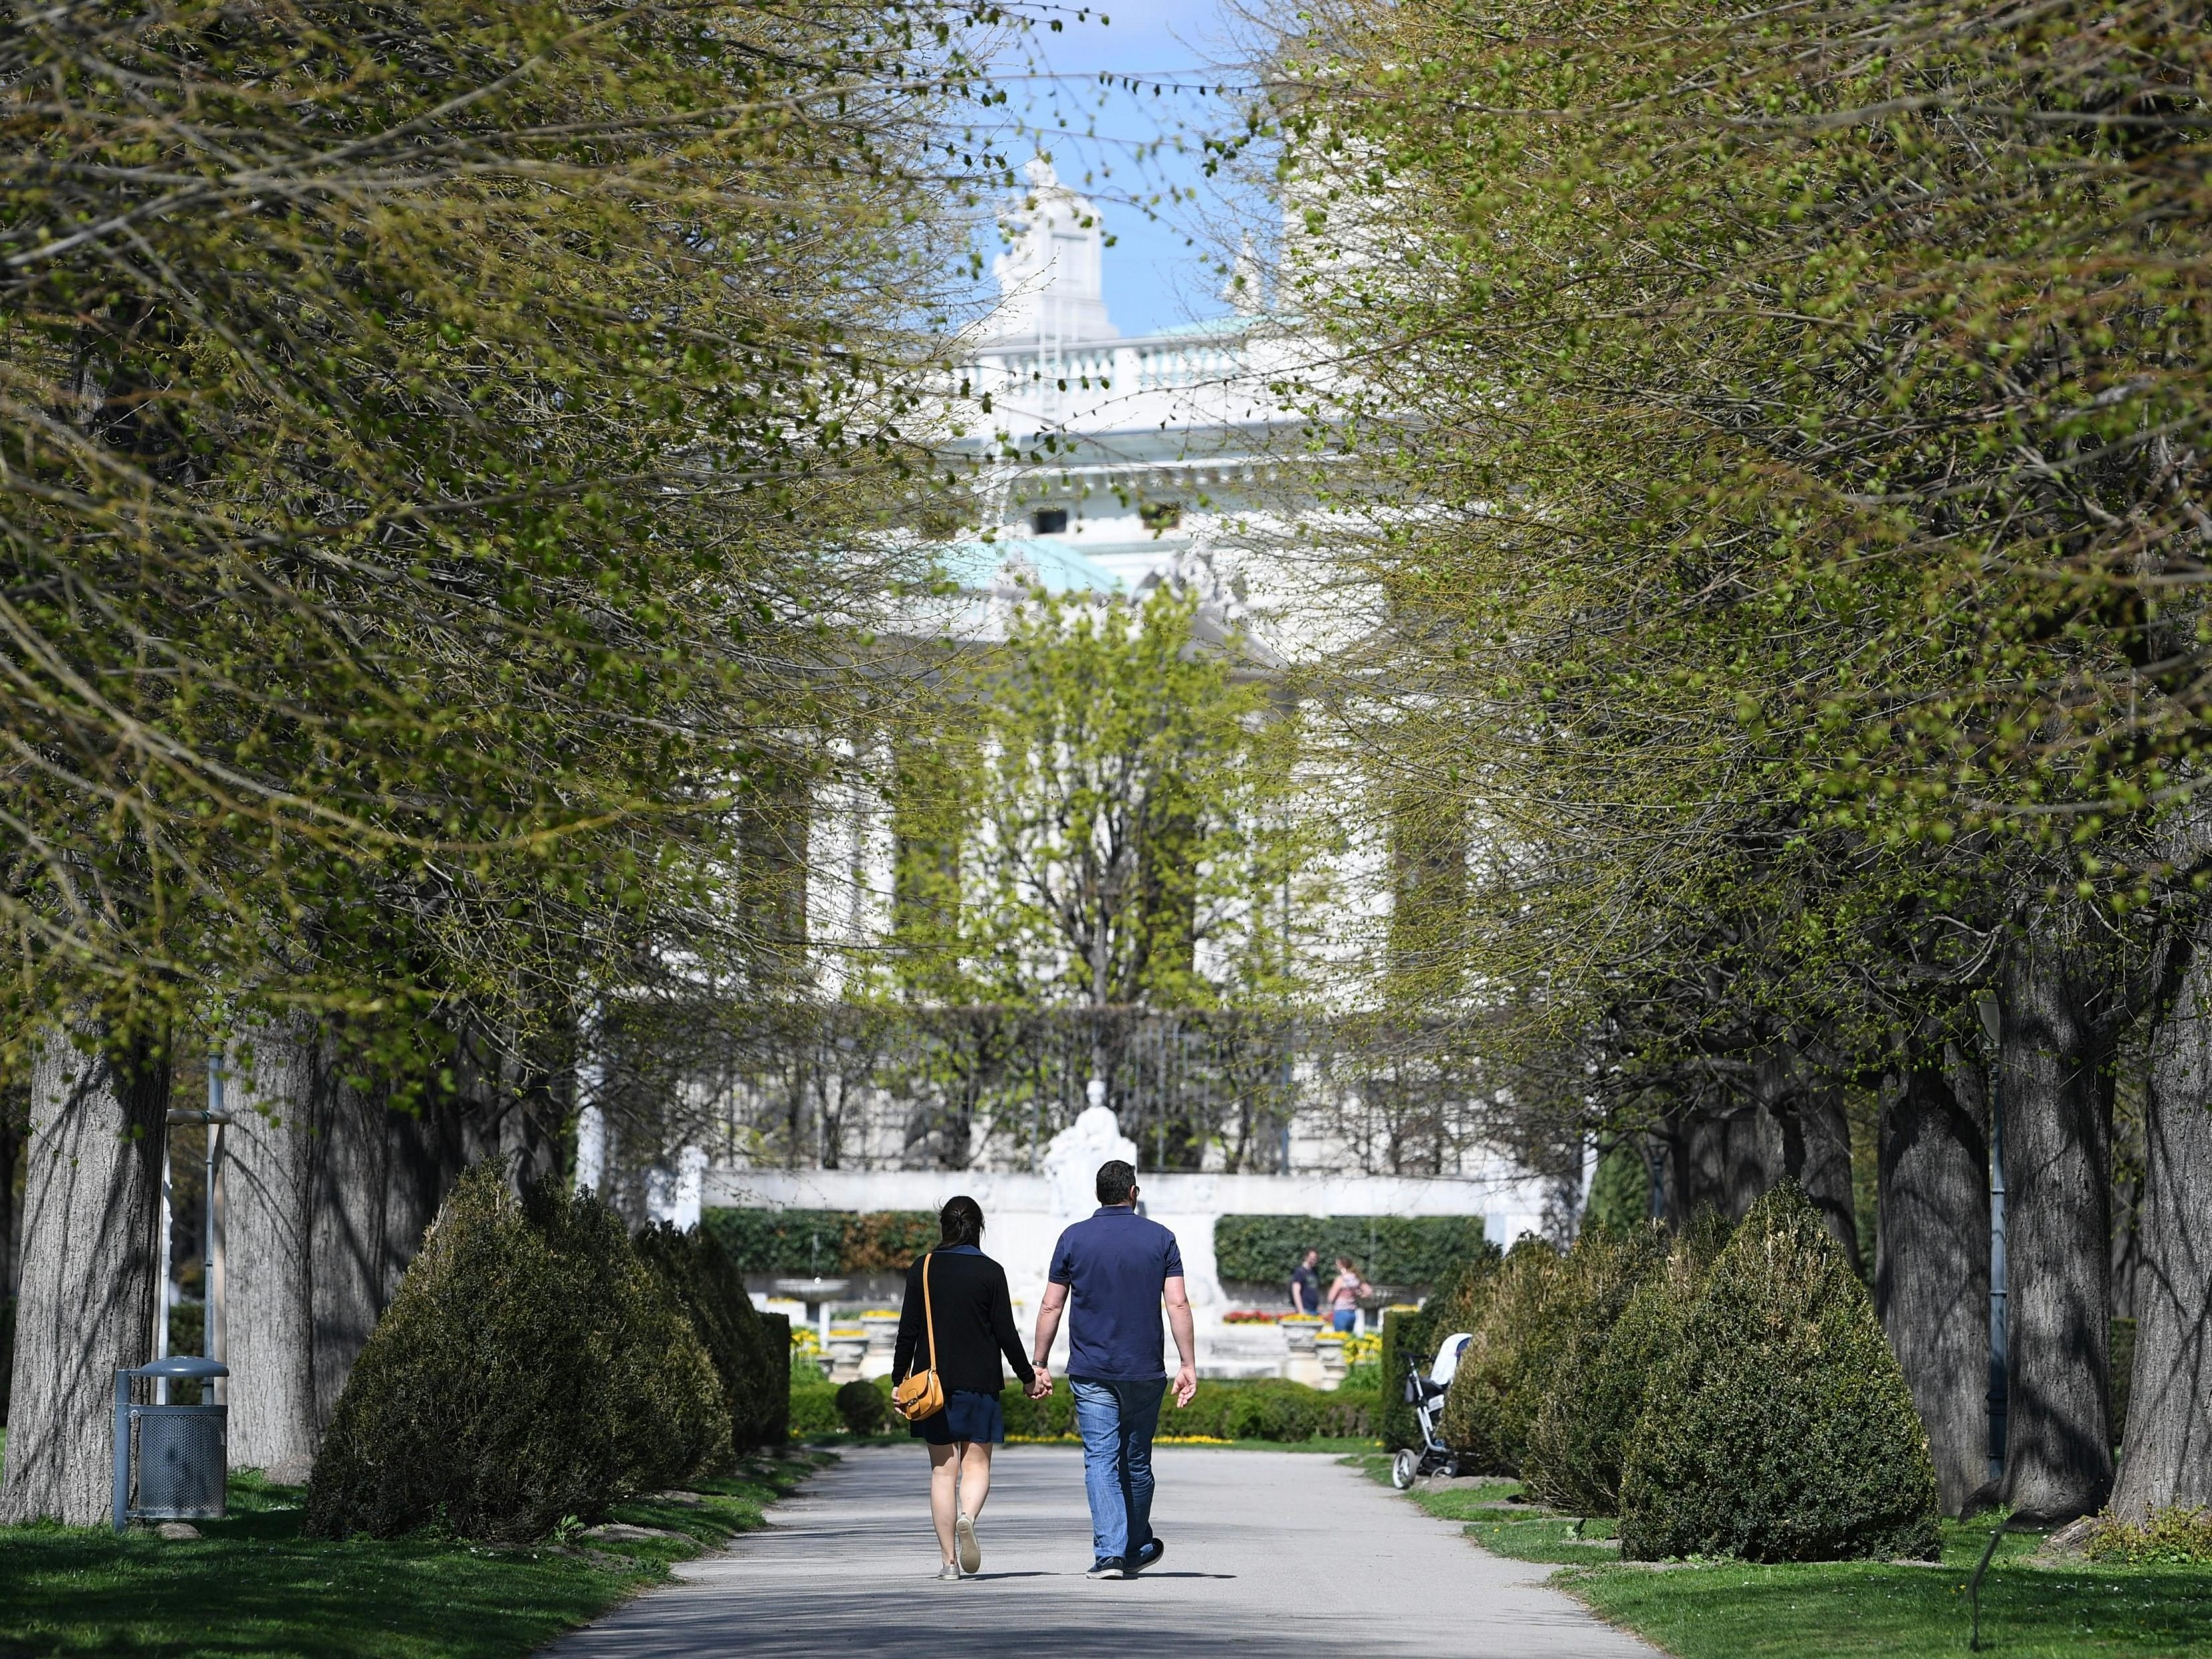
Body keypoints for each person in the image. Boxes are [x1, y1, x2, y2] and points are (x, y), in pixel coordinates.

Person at [1029, 1158, 1196, 1580]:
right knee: (1136, 1461)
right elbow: (1177, 1303)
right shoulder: (1161, 1238)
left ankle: (1112, 1554)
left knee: (1101, 1460)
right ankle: (1133, 1546)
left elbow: (1052, 1303)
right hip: (1145, 1370)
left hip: (1092, 1369)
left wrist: (1040, 1362)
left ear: (1098, 1194)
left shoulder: (1074, 1238)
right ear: (1133, 1193)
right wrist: (1188, 1363)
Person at [892, 1195, 1038, 1581]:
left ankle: (949, 1564)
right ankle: (967, 1517)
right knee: (977, 1464)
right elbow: (1006, 1333)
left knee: (943, 1471)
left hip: (931, 1386)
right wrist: (1028, 1377)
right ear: (979, 1228)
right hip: (980, 1382)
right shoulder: (991, 1273)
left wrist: (898, 1380)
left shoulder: (922, 1269)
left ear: (944, 1226)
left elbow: (908, 1331)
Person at [1326, 1256, 1369, 1333]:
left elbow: (1330, 1298)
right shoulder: (1356, 1278)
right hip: (1352, 1314)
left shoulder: (1340, 1279)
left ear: (1342, 1265)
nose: (1336, 1267)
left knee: (1339, 1340)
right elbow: (1368, 1292)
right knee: (1348, 1341)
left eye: (1337, 1264)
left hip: (1341, 1312)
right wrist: (1358, 1296)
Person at [1289, 1248, 1322, 1317]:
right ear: (1306, 1257)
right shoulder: (1300, 1272)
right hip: (1305, 1309)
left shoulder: (1314, 1272)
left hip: (1314, 1309)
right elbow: (1296, 1291)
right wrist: (1301, 1310)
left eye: (1315, 1258)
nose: (1314, 1260)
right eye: (1312, 1258)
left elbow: (1315, 1290)